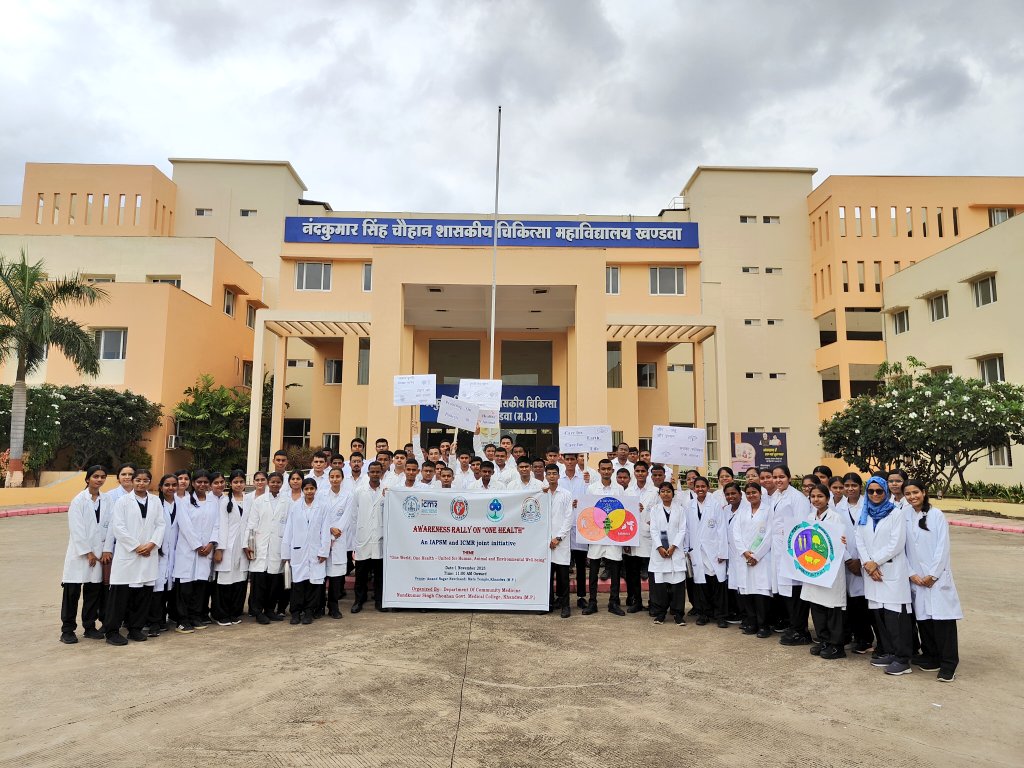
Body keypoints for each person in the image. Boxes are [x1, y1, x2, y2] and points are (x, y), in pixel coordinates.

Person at [904, 479, 962, 682]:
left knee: (943, 622)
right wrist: (911, 573)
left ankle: (948, 664)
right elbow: (902, 548)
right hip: (916, 578)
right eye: (908, 494)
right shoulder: (905, 515)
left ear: (924, 492)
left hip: (936, 578)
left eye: (915, 492)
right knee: (925, 620)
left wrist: (933, 575)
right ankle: (931, 656)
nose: (912, 497)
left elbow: (942, 547)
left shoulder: (936, 515)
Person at [855, 476, 914, 676]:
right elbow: (859, 540)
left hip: (891, 571)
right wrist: (868, 564)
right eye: (871, 491)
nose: (874, 495)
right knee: (879, 615)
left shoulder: (895, 513)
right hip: (873, 574)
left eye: (879, 491)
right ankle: (889, 651)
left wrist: (875, 562)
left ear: (885, 492)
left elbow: (896, 543)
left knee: (896, 617)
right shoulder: (864, 514)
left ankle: (903, 658)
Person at [100, 469, 165, 645]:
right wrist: (136, 546)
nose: (141, 483)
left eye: (145, 480)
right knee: (119, 596)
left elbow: (161, 524)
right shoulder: (122, 501)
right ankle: (112, 631)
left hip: (148, 554)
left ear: (150, 482)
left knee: (143, 594)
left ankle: (135, 628)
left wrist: (152, 544)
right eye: (138, 480)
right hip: (129, 554)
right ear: (133, 481)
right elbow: (118, 527)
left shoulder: (156, 501)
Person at [59, 466, 110, 644]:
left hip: (98, 555)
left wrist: (105, 550)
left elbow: (110, 527)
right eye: (96, 476)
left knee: (92, 593)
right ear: (87, 479)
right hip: (80, 555)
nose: (99, 479)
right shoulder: (78, 500)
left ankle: (89, 626)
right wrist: (88, 552)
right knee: (71, 594)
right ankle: (67, 630)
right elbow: (76, 529)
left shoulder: (107, 500)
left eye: (103, 477)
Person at [802, 483, 848, 660]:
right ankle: (824, 640)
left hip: (831, 569)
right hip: (814, 568)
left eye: (820, 496)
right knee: (817, 605)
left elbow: (842, 542)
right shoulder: (809, 517)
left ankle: (837, 645)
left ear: (827, 499)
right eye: (813, 496)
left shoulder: (836, 517)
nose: (816, 499)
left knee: (832, 607)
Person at [172, 470, 218, 633]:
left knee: (200, 586)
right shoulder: (184, 502)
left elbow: (217, 525)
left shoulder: (214, 502)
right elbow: (185, 526)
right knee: (185, 587)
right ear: (193, 483)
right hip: (188, 551)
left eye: (205, 482)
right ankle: (182, 620)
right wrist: (198, 546)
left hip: (207, 550)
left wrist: (211, 544)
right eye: (199, 482)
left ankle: (195, 617)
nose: (202, 485)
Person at [772, 465, 813, 646]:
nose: (778, 480)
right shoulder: (776, 496)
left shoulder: (797, 498)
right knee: (786, 593)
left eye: (781, 477)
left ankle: (801, 630)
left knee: (795, 592)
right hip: (779, 550)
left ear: (789, 477)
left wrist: (795, 553)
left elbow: (802, 526)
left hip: (792, 551)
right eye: (775, 477)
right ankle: (794, 625)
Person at [281, 478, 328, 625]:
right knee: (298, 584)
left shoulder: (322, 507)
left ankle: (309, 611)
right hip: (298, 551)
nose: (309, 491)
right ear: (303, 490)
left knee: (313, 583)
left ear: (315, 490)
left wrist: (323, 551)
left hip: (315, 551)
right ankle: (295, 612)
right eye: (306, 489)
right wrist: (286, 553)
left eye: (311, 489)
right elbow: (289, 530)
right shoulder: (295, 507)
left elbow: (325, 530)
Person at [245, 471, 289, 624]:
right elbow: (251, 524)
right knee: (259, 583)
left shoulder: (287, 501)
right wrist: (249, 546)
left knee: (274, 582)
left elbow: (289, 526)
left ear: (282, 484)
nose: (275, 484)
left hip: (277, 547)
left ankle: (270, 610)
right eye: (273, 482)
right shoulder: (259, 501)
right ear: (268, 483)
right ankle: (258, 611)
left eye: (278, 482)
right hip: (260, 546)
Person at [837, 473, 874, 654]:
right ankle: (856, 637)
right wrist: (848, 559)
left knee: (864, 602)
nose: (850, 488)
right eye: (847, 485)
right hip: (847, 560)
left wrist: (862, 560)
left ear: (861, 486)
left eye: (854, 485)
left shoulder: (868, 506)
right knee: (851, 601)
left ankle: (866, 639)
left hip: (865, 560)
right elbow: (836, 536)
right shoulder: (838, 507)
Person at [583, 459, 625, 616]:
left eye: (609, 469)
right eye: (603, 469)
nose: (606, 471)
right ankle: (592, 602)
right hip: (597, 535)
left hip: (613, 535)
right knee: (593, 570)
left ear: (613, 471)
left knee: (615, 569)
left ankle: (613, 602)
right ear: (599, 471)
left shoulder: (619, 489)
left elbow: (624, 511)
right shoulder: (592, 488)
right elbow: (588, 510)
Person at [687, 476, 729, 628]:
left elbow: (722, 529)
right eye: (697, 486)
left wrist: (722, 552)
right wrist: (687, 550)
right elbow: (686, 530)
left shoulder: (715, 504)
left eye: (703, 486)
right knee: (701, 585)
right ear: (693, 488)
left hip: (714, 550)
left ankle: (721, 616)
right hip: (697, 551)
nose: (700, 489)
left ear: (708, 487)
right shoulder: (689, 505)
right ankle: (704, 614)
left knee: (718, 584)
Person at [734, 482, 773, 638]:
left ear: (760, 493)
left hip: (761, 559)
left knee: (761, 593)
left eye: (754, 492)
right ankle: (752, 623)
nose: (751, 495)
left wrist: (756, 555)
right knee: (747, 592)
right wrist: (744, 552)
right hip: (745, 557)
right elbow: (735, 534)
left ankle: (764, 625)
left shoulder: (768, 511)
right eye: (748, 493)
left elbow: (769, 534)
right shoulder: (742, 512)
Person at [212, 470, 250, 625]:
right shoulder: (224, 501)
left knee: (240, 580)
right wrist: (219, 549)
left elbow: (251, 524)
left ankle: (235, 612)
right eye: (235, 482)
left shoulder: (249, 500)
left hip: (243, 546)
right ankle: (221, 614)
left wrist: (248, 545)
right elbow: (221, 526)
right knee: (225, 581)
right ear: (231, 484)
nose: (239, 484)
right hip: (227, 546)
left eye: (241, 481)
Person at [648, 483, 688, 625]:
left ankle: (678, 614)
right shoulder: (654, 510)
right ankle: (660, 614)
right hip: (659, 552)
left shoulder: (680, 510)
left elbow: (682, 530)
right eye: (663, 491)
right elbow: (653, 530)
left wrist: (673, 546)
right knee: (660, 585)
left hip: (675, 552)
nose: (665, 494)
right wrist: (659, 547)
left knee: (677, 585)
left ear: (673, 493)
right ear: (659, 494)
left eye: (668, 491)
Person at [146, 473, 180, 637]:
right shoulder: (155, 504)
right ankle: (154, 622)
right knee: (156, 588)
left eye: (174, 485)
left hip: (175, 552)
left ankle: (163, 620)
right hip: (157, 551)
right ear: (160, 487)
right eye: (167, 485)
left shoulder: (181, 504)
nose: (171, 488)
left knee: (169, 587)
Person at [352, 461, 387, 613]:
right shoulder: (359, 491)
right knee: (361, 575)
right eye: (372, 472)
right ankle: (358, 601)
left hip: (379, 538)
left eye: (377, 472)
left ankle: (379, 602)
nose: (375, 474)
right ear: (368, 474)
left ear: (381, 473)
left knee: (379, 575)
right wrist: (355, 538)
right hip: (363, 537)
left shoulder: (386, 492)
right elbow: (354, 515)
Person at [323, 467, 353, 619]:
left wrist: (336, 533)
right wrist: (329, 530)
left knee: (335, 577)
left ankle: (334, 607)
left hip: (339, 539)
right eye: (332, 476)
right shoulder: (322, 495)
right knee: (320, 575)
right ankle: (319, 605)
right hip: (323, 537)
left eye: (337, 476)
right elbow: (320, 516)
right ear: (329, 479)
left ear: (342, 478)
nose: (335, 479)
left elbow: (347, 517)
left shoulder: (348, 496)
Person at [622, 461, 652, 613]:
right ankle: (636, 601)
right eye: (637, 471)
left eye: (643, 471)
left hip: (649, 538)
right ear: (634, 473)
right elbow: (622, 516)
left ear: (647, 473)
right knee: (632, 572)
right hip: (631, 536)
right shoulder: (627, 492)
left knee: (652, 572)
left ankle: (654, 602)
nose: (640, 473)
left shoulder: (655, 491)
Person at [545, 465, 574, 618]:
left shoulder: (566, 494)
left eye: (554, 474)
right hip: (545, 542)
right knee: (547, 576)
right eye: (548, 474)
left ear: (558, 475)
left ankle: (565, 605)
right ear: (545, 475)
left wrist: (558, 537)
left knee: (563, 577)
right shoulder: (542, 493)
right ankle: (548, 603)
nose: (551, 476)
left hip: (561, 542)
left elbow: (569, 518)